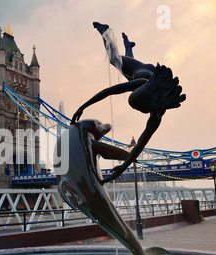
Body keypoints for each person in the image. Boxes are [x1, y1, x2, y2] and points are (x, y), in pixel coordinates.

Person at [71, 22, 186, 182]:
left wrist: (122, 168)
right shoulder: (140, 83)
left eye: (142, 110)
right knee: (114, 60)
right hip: (141, 70)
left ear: (149, 103)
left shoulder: (157, 114)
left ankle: (129, 47)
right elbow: (108, 91)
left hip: (145, 77)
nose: (142, 112)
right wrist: (82, 107)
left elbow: (140, 144)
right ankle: (105, 31)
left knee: (126, 72)